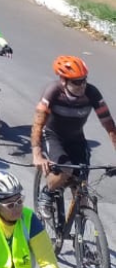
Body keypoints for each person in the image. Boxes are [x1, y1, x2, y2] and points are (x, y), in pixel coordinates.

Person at [31, 56, 116, 218]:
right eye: (76, 82)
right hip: (52, 136)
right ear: (63, 80)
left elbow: (110, 125)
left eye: (84, 80)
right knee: (65, 170)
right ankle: (47, 193)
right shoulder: (53, 92)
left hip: (76, 138)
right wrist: (37, 154)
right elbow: (38, 124)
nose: (82, 85)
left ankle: (80, 233)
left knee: (82, 187)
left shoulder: (92, 93)